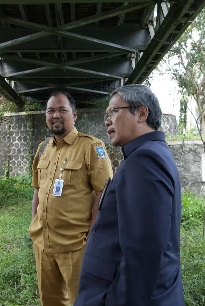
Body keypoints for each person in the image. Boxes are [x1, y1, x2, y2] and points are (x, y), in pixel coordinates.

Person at [75, 85, 184, 306]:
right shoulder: (151, 154)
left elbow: (142, 257)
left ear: (142, 113)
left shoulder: (145, 161)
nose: (107, 121)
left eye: (114, 111)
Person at [30, 91, 114, 306]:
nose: (55, 115)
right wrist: (34, 224)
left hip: (76, 246)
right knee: (50, 300)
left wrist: (92, 236)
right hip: (43, 243)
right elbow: (38, 190)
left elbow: (103, 194)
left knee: (82, 301)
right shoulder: (43, 148)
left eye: (62, 110)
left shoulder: (91, 147)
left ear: (74, 115)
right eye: (50, 111)